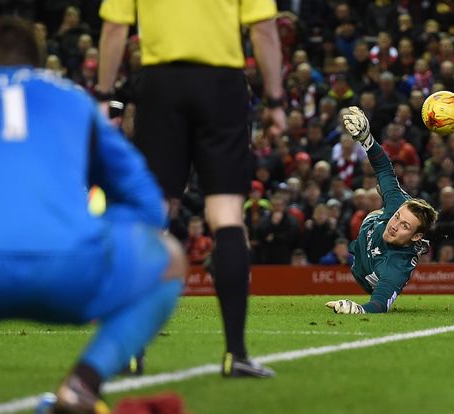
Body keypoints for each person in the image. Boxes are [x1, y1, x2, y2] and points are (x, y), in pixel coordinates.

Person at [0, 18, 185, 413]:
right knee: (169, 259)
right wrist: (103, 233)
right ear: (40, 67)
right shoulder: (73, 98)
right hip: (71, 266)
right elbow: (146, 202)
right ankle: (82, 386)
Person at [97, 0, 285, 377]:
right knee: (226, 214)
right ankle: (236, 355)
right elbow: (263, 29)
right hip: (221, 85)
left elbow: (115, 29)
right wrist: (276, 99)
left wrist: (103, 95)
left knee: (155, 214)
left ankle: (131, 349)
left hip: (160, 86)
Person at [325, 107, 438, 314]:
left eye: (405, 226)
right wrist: (366, 138)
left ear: (416, 236)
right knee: (387, 197)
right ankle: (399, 200)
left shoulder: (396, 266)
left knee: (390, 207)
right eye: (398, 219)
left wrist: (359, 310)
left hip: (368, 273)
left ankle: (415, 236)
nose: (395, 226)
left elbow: (379, 304)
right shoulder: (397, 207)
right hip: (372, 227)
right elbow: (384, 168)